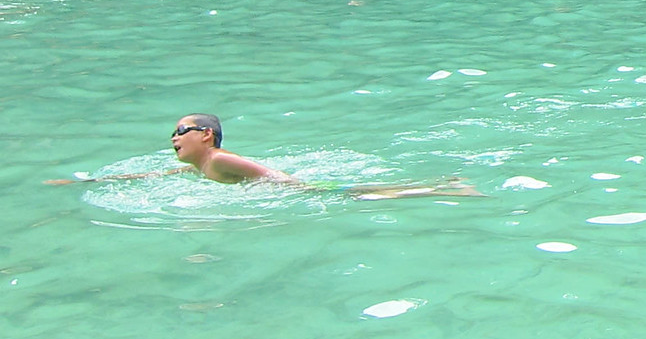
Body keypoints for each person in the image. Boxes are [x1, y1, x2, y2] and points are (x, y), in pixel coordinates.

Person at [47, 115, 478, 197]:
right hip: (286, 187)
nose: (173, 138)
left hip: (295, 188)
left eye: (181, 131)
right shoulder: (202, 167)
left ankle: (444, 188)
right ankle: (444, 186)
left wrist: (296, 188)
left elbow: (265, 172)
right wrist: (90, 183)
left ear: (207, 136)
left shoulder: (218, 161)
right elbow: (151, 176)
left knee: (359, 193)